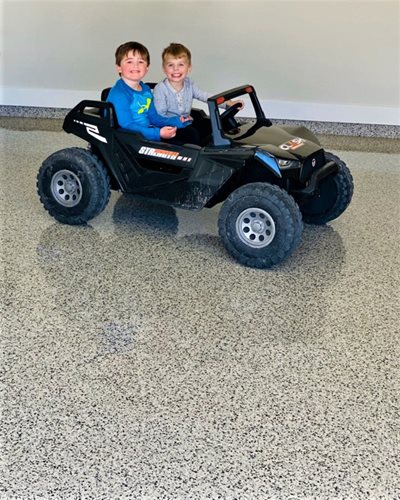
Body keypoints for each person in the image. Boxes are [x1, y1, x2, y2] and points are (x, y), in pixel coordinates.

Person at [153, 43, 244, 145]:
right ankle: (197, 151)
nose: (176, 69)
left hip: (186, 123)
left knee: (211, 125)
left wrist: (227, 103)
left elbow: (204, 96)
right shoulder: (160, 89)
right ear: (164, 68)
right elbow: (159, 116)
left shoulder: (189, 84)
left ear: (189, 67)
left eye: (181, 65)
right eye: (171, 65)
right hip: (169, 128)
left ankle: (210, 145)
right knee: (192, 135)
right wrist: (177, 121)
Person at [107, 41, 191, 141]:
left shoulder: (146, 90)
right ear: (119, 68)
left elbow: (154, 117)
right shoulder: (119, 94)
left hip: (147, 132)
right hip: (130, 138)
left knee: (190, 133)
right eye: (129, 61)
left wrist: (175, 121)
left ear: (147, 68)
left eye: (141, 62)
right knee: (179, 147)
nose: (135, 66)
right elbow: (127, 126)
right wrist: (158, 133)